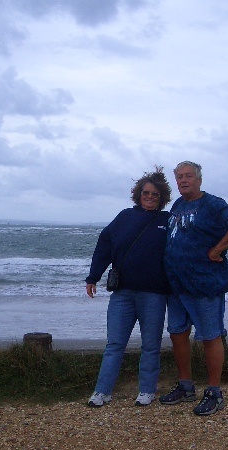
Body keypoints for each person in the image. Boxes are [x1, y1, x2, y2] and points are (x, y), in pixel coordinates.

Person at [159, 161, 228, 415]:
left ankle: (214, 392)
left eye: (188, 176)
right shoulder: (178, 205)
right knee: (178, 333)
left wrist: (218, 249)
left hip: (204, 284)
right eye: (179, 177)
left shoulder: (212, 203)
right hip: (177, 284)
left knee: (210, 336)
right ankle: (186, 386)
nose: (184, 181)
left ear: (199, 179)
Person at [85, 167, 172, 407]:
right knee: (114, 344)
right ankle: (102, 391)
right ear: (138, 194)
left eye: (155, 194)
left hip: (154, 295)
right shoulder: (124, 217)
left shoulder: (167, 221)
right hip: (122, 294)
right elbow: (104, 245)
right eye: (146, 192)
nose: (150, 197)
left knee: (151, 345)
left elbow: (183, 252)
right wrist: (93, 277)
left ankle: (147, 390)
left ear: (162, 197)